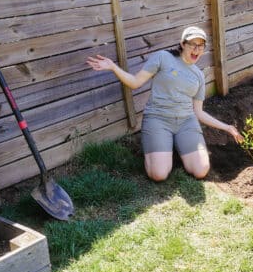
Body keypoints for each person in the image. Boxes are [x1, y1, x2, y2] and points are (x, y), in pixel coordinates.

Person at [86, 26, 243, 182]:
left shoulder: (198, 76)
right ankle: (165, 149)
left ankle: (175, 148)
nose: (196, 50)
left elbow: (199, 112)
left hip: (185, 122)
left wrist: (227, 127)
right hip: (158, 119)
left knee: (201, 170)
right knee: (158, 175)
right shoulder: (163, 58)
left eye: (200, 46)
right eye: (192, 45)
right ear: (182, 44)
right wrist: (113, 67)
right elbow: (135, 82)